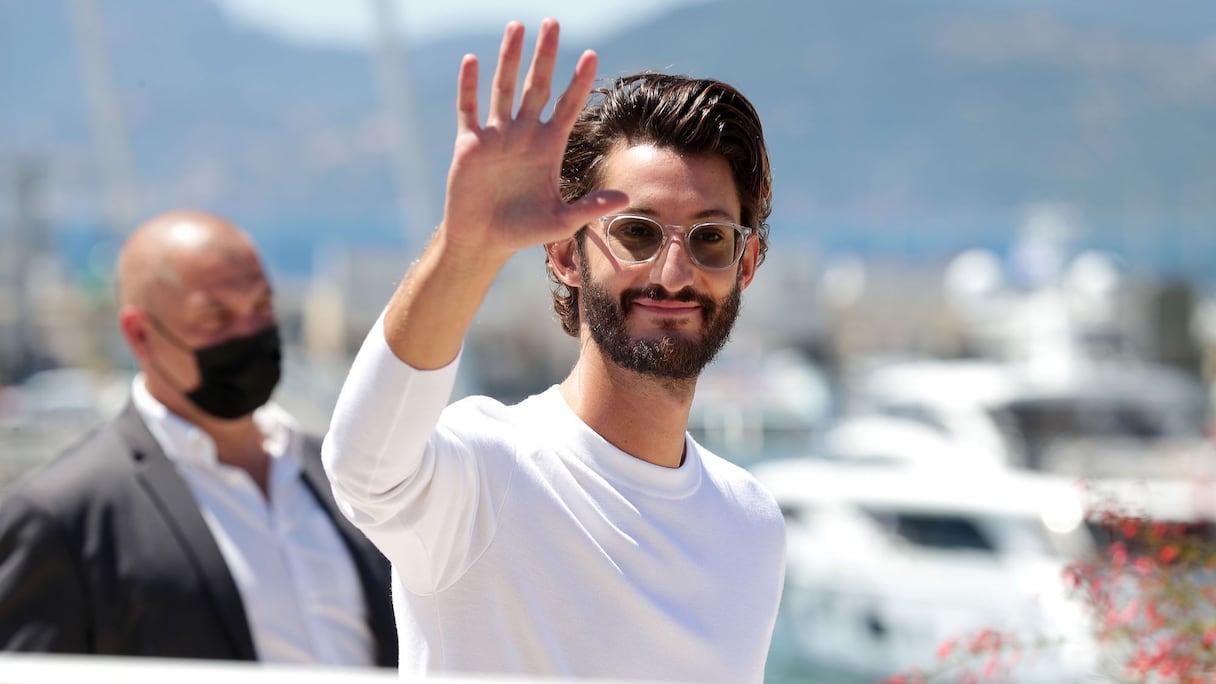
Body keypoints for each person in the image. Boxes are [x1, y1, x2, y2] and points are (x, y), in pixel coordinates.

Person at [322, 18, 786, 683]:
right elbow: (364, 472)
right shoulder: (487, 469)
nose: (673, 272)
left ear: (746, 265)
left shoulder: (752, 524)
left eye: (709, 239)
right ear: (568, 253)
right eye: (636, 232)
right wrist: (468, 247)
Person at [0, 210, 397, 666]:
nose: (248, 333)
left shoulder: (342, 475)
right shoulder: (63, 517)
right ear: (141, 335)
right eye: (216, 317)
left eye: (262, 308)